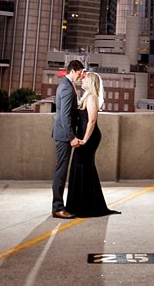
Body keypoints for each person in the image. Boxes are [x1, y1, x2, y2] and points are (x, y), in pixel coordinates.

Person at [64, 69, 118, 217]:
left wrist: (86, 139)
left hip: (89, 137)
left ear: (92, 82)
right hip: (85, 136)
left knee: (81, 165)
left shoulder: (92, 97)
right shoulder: (87, 97)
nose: (82, 80)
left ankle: (83, 206)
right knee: (83, 167)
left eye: (85, 79)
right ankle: (85, 204)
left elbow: (92, 120)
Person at [50, 60, 86, 218]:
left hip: (63, 135)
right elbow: (64, 116)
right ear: (73, 71)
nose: (80, 76)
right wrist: (71, 137)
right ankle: (58, 208)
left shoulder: (67, 85)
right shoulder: (66, 87)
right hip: (64, 137)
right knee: (61, 172)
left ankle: (60, 206)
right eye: (79, 73)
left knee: (62, 171)